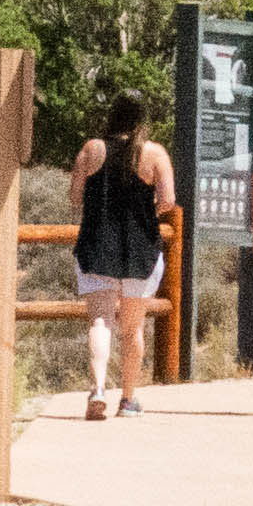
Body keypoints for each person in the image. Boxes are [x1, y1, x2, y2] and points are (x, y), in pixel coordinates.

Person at [69, 91, 175, 420]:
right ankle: (128, 399)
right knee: (133, 329)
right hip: (140, 249)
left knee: (100, 321)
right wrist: (147, 211)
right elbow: (168, 200)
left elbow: (75, 197)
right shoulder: (154, 154)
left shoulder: (91, 149)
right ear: (142, 119)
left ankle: (98, 389)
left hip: (97, 244)